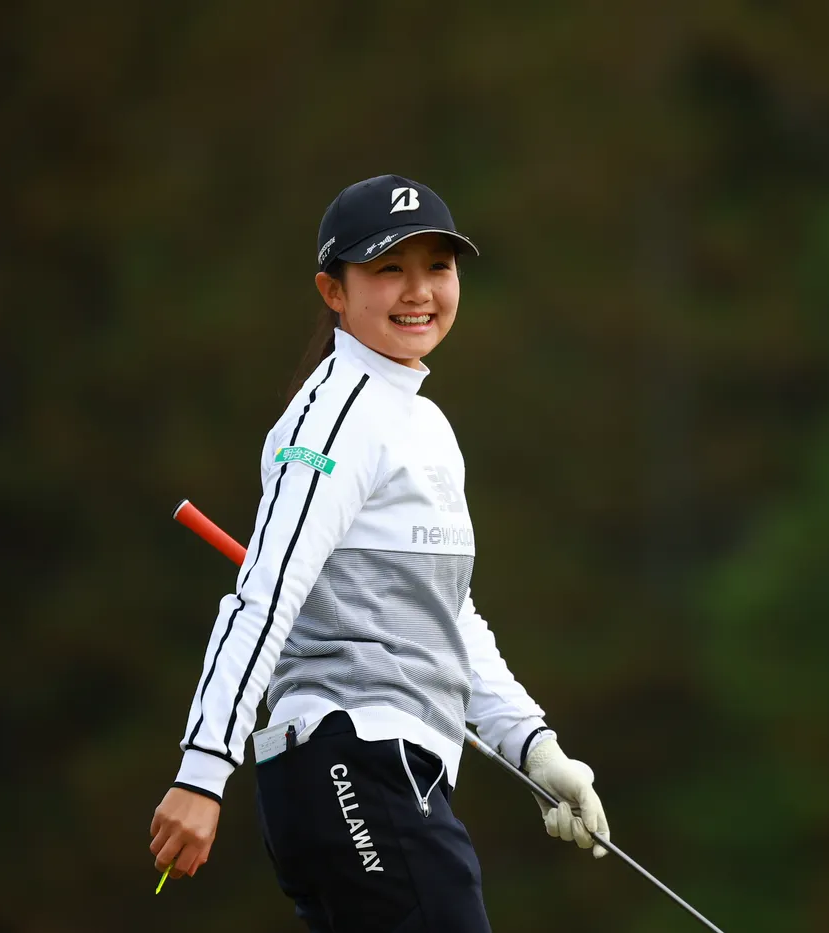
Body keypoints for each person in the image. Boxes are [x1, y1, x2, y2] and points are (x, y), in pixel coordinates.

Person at [148, 174, 610, 932]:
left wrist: (535, 748)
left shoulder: (423, 425)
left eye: (438, 266)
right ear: (333, 291)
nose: (419, 290)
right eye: (389, 268)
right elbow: (263, 595)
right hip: (355, 759)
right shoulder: (336, 418)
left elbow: (446, 616)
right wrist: (202, 771)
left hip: (380, 772)